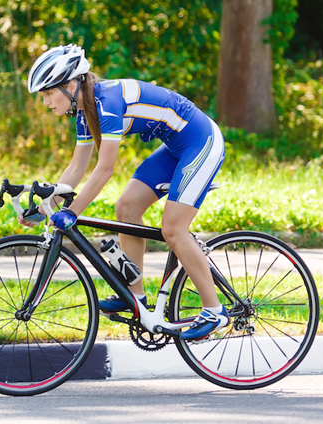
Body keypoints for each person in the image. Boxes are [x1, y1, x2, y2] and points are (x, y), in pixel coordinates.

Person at [21, 44, 227, 340]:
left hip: (201, 142)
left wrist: (73, 211)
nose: (45, 102)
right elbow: (77, 168)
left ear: (69, 85)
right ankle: (136, 298)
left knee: (173, 229)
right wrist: (46, 208)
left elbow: (105, 168)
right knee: (127, 208)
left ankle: (214, 311)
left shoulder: (106, 103)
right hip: (174, 147)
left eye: (48, 93)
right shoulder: (85, 111)